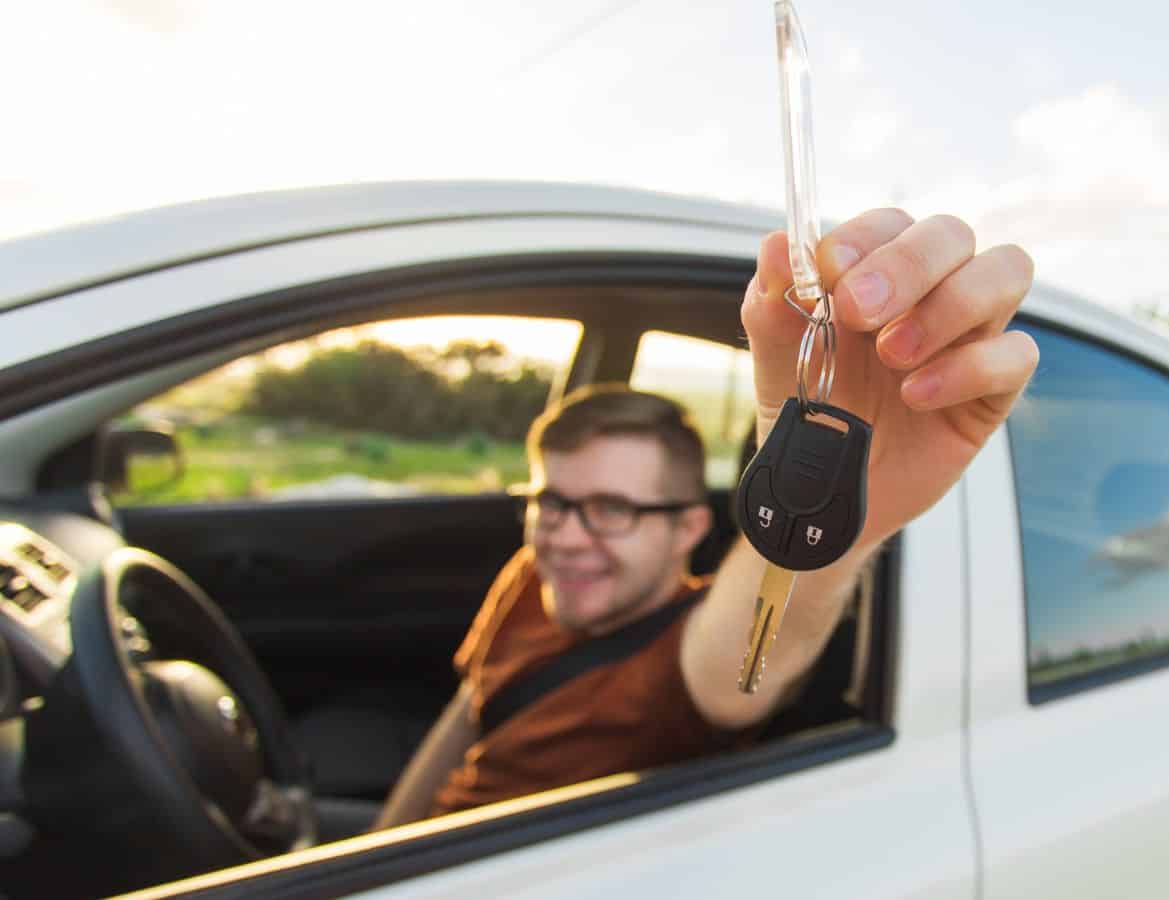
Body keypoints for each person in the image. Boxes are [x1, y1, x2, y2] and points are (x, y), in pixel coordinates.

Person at [374, 209, 1038, 826]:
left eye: (611, 509)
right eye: (551, 500)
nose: (565, 536)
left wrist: (847, 508)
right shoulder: (531, 575)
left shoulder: (681, 661)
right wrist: (383, 840)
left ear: (689, 528)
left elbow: (744, 664)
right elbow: (466, 717)